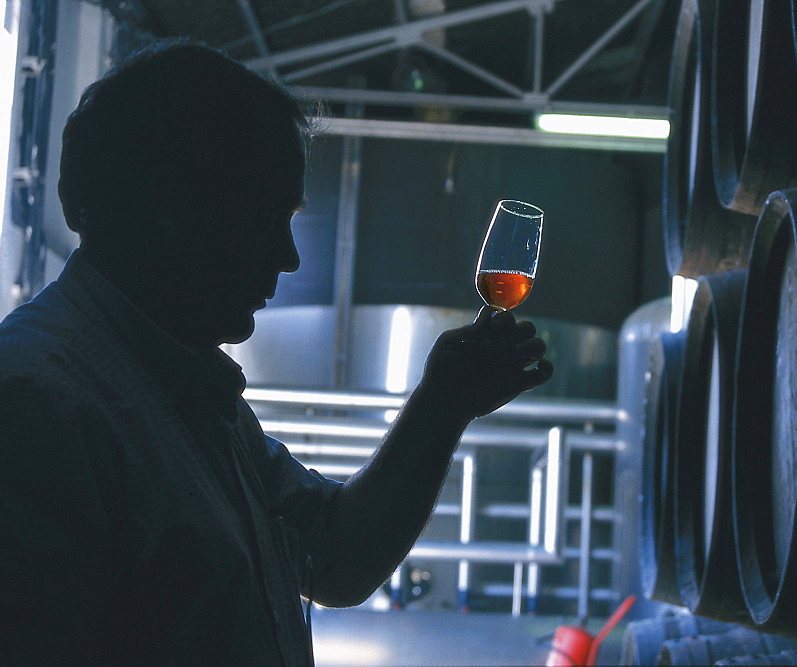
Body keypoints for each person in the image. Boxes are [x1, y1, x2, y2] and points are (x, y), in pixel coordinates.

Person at [0, 41, 553, 665]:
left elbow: (337, 558)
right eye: (266, 216)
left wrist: (444, 404)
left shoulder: (193, 392)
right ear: (168, 207)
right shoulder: (33, 404)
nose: (288, 258)